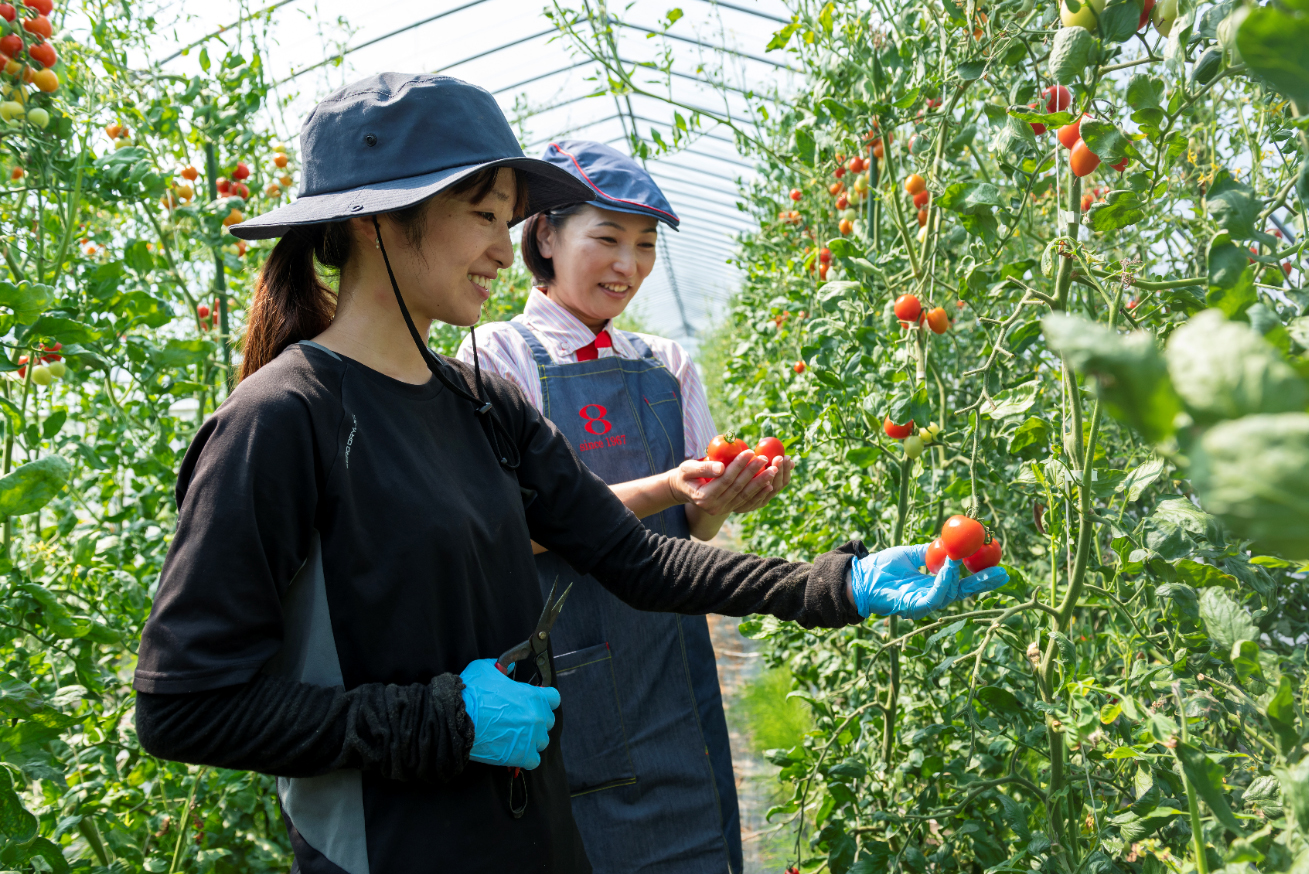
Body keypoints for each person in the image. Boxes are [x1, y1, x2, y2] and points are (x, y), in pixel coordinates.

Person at [130, 73, 1009, 874]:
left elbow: (633, 558)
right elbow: (186, 707)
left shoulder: (479, 403)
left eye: (506, 219)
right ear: (374, 222)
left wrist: (836, 586)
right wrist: (439, 720)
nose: (503, 249)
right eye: (482, 214)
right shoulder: (284, 422)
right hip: (392, 851)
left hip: (531, 836)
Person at [454, 139, 788, 874]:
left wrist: (716, 500)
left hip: (671, 671)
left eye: (643, 247)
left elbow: (688, 531)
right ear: (544, 235)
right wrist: (670, 484)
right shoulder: (494, 360)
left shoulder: (664, 365)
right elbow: (508, 532)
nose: (627, 266)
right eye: (605, 239)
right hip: (564, 681)